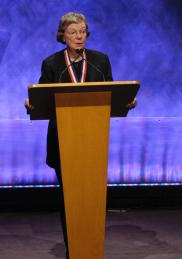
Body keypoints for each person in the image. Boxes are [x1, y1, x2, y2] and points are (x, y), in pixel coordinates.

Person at [26, 12, 136, 259]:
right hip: (63, 140)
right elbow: (42, 99)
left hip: (94, 141)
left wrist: (126, 103)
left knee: (93, 198)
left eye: (83, 31)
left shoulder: (100, 61)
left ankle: (93, 248)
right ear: (62, 36)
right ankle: (73, 250)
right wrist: (30, 105)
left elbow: (113, 94)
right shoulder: (52, 64)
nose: (79, 36)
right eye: (73, 32)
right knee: (69, 198)